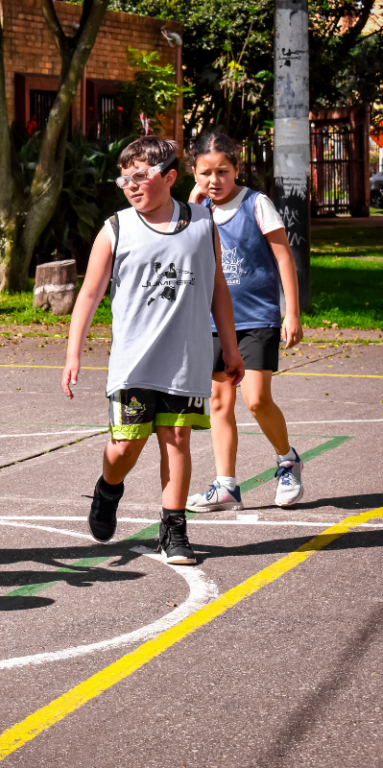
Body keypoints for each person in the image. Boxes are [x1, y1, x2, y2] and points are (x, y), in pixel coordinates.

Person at [62, 136, 244, 564]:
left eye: (140, 175)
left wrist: (231, 349)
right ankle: (108, 491)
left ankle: (174, 530)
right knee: (126, 446)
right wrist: (73, 353)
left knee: (177, 437)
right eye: (124, 178)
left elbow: (218, 289)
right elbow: (88, 296)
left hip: (186, 358)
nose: (131, 184)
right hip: (133, 361)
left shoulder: (202, 223)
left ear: (171, 177)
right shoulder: (116, 228)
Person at [184, 131, 305, 512]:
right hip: (213, 320)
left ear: (236, 169)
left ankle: (287, 460)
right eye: (205, 173)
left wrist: (292, 312)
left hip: (257, 318)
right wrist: (192, 208)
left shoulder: (256, 203)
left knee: (255, 399)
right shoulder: (197, 210)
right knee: (219, 401)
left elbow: (284, 257)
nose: (214, 180)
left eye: (222, 171)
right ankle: (226, 485)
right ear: (193, 172)